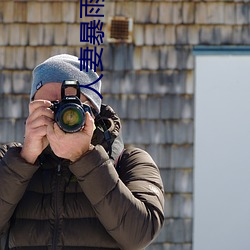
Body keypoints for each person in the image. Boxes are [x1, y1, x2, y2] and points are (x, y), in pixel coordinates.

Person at [0, 54, 164, 250]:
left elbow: (139, 235)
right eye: (48, 106)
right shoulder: (9, 160)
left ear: (93, 111)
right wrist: (24, 160)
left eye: (69, 107)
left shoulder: (130, 162)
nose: (58, 116)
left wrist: (85, 158)